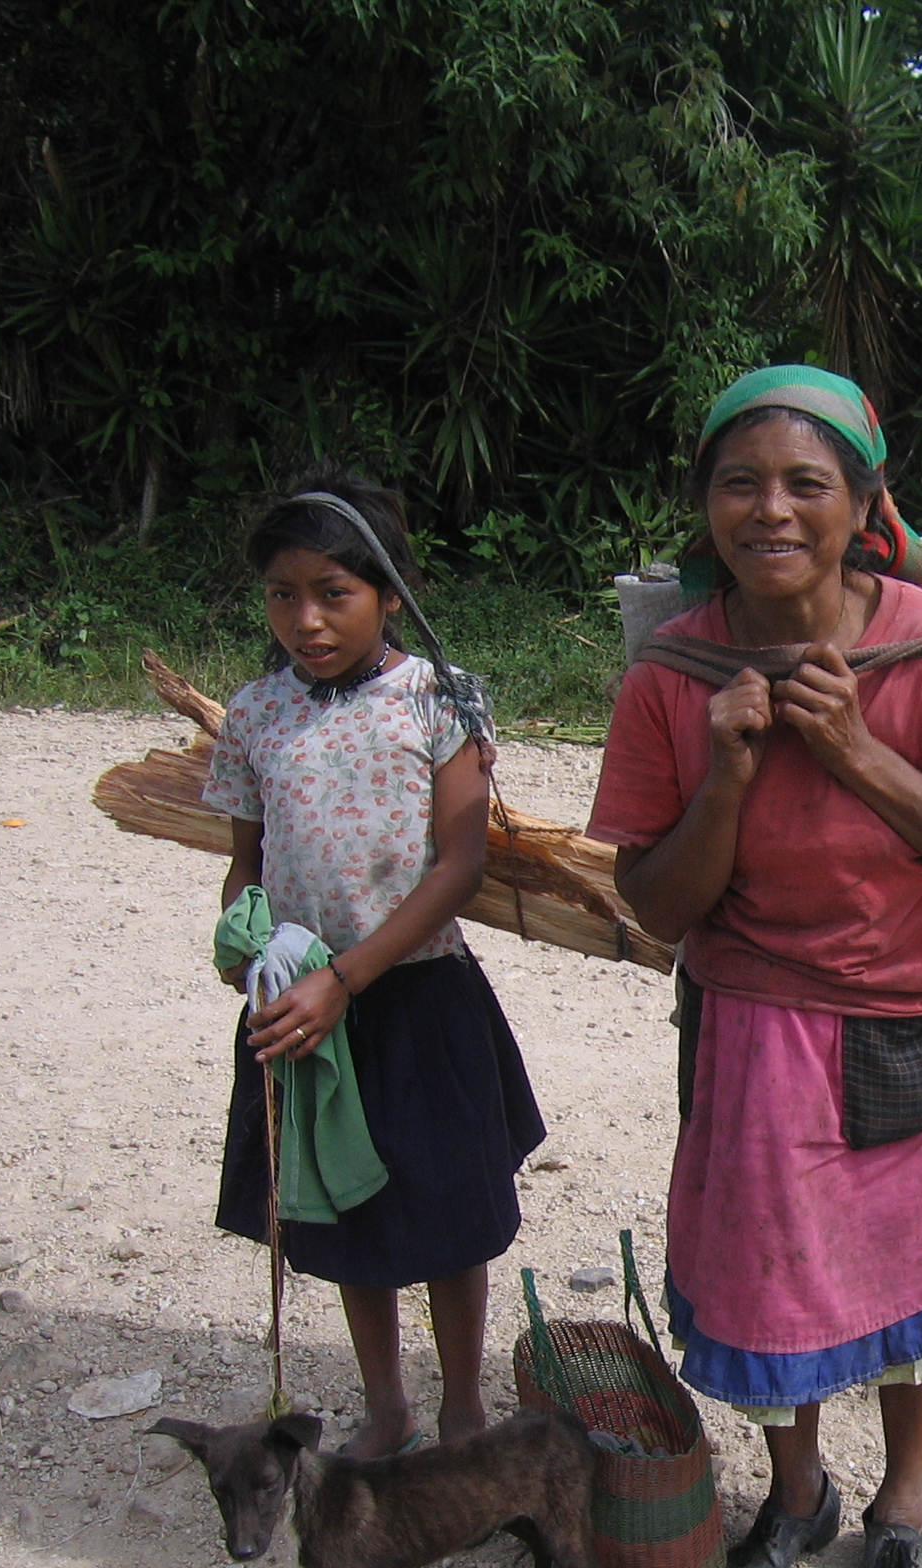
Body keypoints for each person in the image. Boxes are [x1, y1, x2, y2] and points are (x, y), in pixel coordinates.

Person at [587, 367, 922, 1568]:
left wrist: (854, 750)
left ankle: (901, 1508)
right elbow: (657, 908)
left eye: (806, 484)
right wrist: (726, 778)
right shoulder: (673, 678)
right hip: (751, 1027)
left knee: (921, 1275)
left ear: (864, 504)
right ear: (704, 506)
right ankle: (796, 1498)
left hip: (912, 1019)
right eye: (741, 483)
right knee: (767, 1280)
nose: (771, 510)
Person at [205, 468, 544, 1458]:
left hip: (417, 994)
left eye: (333, 593)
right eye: (283, 594)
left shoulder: (440, 700)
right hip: (303, 1007)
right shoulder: (256, 715)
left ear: (390, 593)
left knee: (449, 1216)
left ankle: (462, 1410)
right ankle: (388, 1406)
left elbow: (459, 866)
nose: (305, 619)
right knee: (351, 1213)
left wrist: (346, 977)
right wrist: (241, 944)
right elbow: (245, 864)